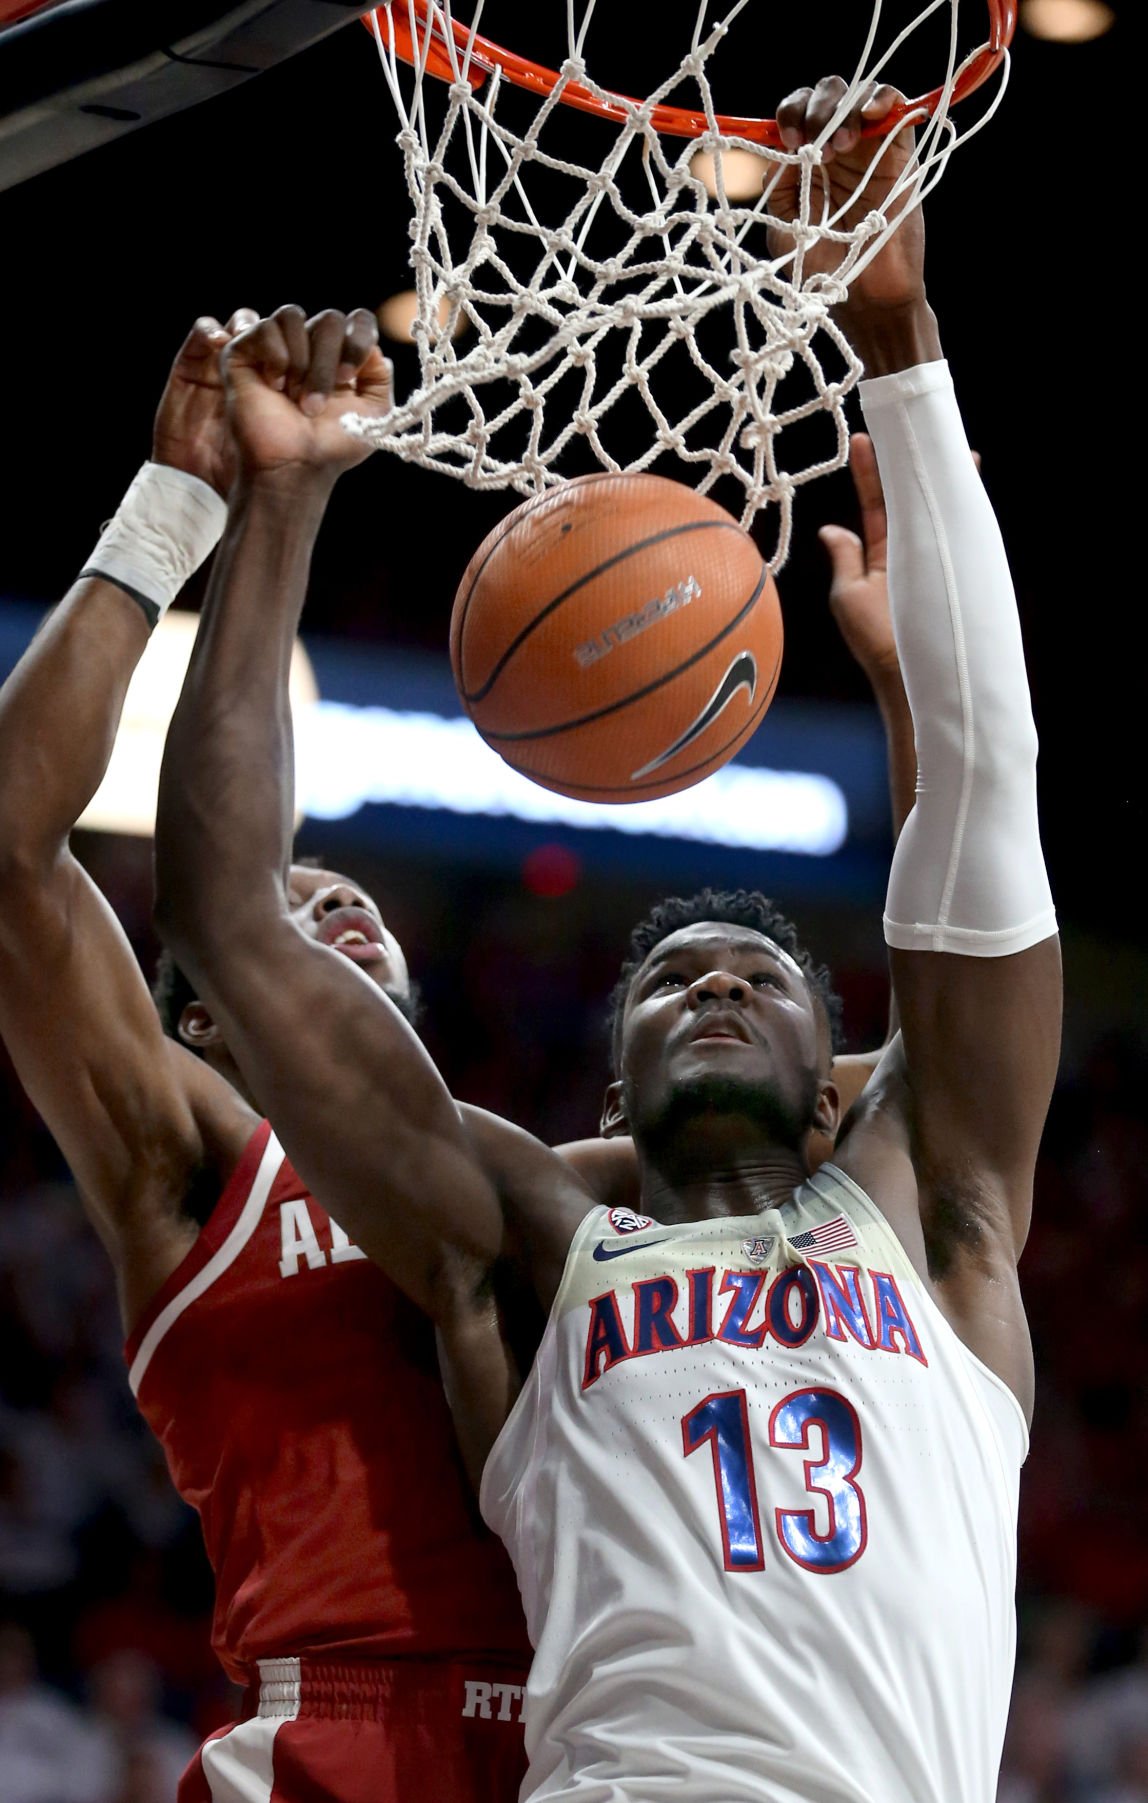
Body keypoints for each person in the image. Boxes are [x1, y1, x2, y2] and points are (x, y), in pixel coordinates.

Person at [154, 72, 1060, 1803]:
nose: (713, 979)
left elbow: (988, 798)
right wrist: (272, 508)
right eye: (666, 981)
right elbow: (230, 924)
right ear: (614, 1083)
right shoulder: (528, 1242)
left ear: (837, 1090)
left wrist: (899, 333)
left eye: (760, 976)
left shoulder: (938, 1222)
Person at [0, 318, 533, 1803]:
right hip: (340, 1729)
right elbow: (6, 856)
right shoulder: (199, 1159)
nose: (340, 902)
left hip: (609, 1737)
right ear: (209, 1025)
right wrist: (181, 506)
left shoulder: (551, 1178)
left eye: (353, 901)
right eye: (290, 917)